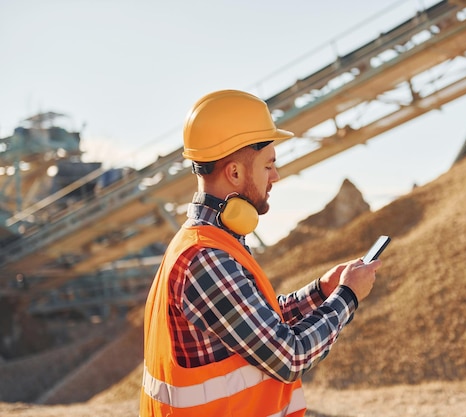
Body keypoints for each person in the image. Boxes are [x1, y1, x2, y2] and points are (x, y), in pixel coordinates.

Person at [140, 90, 381, 417]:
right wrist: (348, 296)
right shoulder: (206, 259)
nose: (276, 176)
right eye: (269, 165)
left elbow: (258, 324)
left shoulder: (212, 242)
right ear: (235, 173)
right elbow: (289, 357)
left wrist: (322, 292)